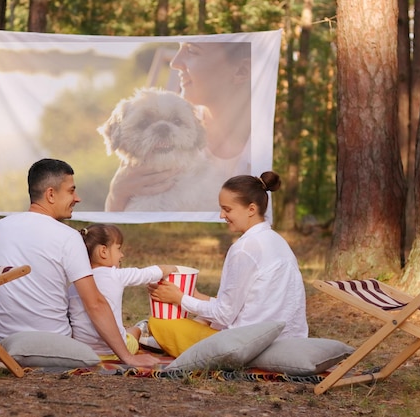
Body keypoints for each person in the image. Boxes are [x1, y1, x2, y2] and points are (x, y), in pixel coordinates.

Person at [0, 158, 160, 367]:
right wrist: (128, 357)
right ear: (50, 194)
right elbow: (94, 303)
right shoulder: (67, 236)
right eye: (71, 191)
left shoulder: (1, 226)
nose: (77, 198)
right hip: (50, 343)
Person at [147, 172, 308, 357]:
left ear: (251, 209)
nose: (222, 215)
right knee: (202, 319)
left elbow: (224, 315)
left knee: (159, 323)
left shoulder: (244, 249)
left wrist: (179, 299)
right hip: (287, 341)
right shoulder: (277, 241)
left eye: (227, 209)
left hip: (247, 346)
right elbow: (241, 306)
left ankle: (146, 331)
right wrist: (193, 295)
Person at [105, 42, 252, 212]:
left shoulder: (265, 145)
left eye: (192, 50)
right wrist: (116, 196)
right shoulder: (171, 109)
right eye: (145, 123)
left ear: (242, 70)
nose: (174, 62)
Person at [67, 223, 177, 357]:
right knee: (132, 335)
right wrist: (168, 268)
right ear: (103, 252)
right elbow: (146, 274)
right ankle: (141, 328)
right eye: (118, 249)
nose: (122, 255)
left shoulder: (75, 285)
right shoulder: (116, 275)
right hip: (116, 351)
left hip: (83, 352)